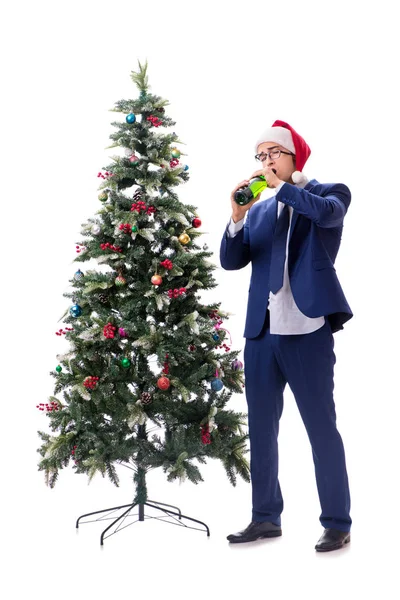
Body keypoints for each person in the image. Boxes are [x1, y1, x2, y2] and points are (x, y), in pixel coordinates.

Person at [219, 120, 353, 552]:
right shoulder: (258, 209)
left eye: (272, 153)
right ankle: (264, 518)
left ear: (294, 155)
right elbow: (231, 261)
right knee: (260, 430)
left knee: (321, 428)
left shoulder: (329, 192)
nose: (265, 162)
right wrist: (237, 218)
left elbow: (327, 213)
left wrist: (288, 186)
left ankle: (337, 521)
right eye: (260, 156)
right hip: (261, 332)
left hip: (306, 330)